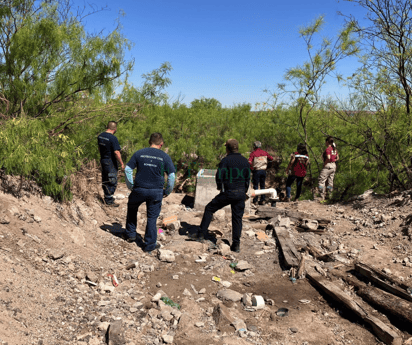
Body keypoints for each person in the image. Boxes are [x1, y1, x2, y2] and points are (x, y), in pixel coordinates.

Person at [190, 139, 250, 253]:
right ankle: (236, 245)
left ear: (227, 148)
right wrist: (243, 192)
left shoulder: (225, 160)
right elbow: (247, 179)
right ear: (237, 148)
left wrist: (219, 187)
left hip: (229, 193)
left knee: (209, 208)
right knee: (237, 218)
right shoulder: (245, 161)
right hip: (241, 193)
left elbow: (219, 176)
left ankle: (201, 234)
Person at [124, 133, 175, 253]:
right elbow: (172, 176)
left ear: (149, 142)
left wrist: (131, 186)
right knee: (152, 217)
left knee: (132, 208)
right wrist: (167, 191)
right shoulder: (165, 156)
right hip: (156, 192)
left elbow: (127, 169)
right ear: (161, 144)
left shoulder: (139, 153)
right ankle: (149, 245)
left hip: (139, 189)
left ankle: (130, 235)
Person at [98, 121, 124, 207]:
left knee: (105, 178)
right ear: (115, 129)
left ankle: (107, 197)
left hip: (103, 160)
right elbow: (116, 152)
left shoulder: (100, 136)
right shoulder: (113, 138)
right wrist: (121, 163)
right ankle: (109, 201)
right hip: (110, 162)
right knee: (112, 180)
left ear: (107, 127)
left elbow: (99, 148)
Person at [318, 136, 339, 201]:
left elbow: (328, 157)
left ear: (327, 142)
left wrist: (325, 164)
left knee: (321, 180)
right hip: (333, 165)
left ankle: (321, 196)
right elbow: (338, 158)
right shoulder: (334, 149)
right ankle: (329, 195)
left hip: (328, 165)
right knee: (330, 181)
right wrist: (334, 160)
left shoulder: (328, 149)